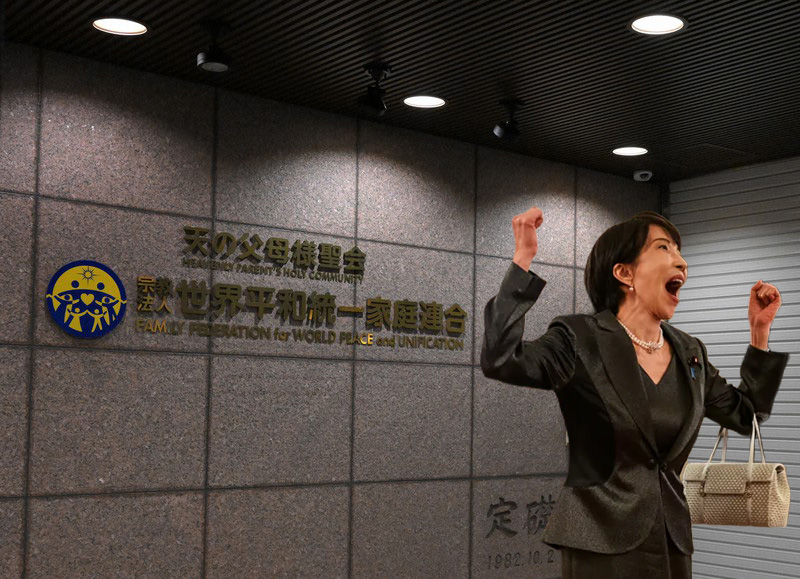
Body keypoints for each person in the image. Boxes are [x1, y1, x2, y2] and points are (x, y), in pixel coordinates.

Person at [480, 206, 790, 579]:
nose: (682, 261)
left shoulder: (689, 351)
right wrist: (523, 260)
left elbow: (747, 414)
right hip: (599, 540)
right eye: (664, 248)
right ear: (624, 273)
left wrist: (759, 333)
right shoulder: (579, 337)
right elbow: (501, 359)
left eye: (679, 251)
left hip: (671, 540)